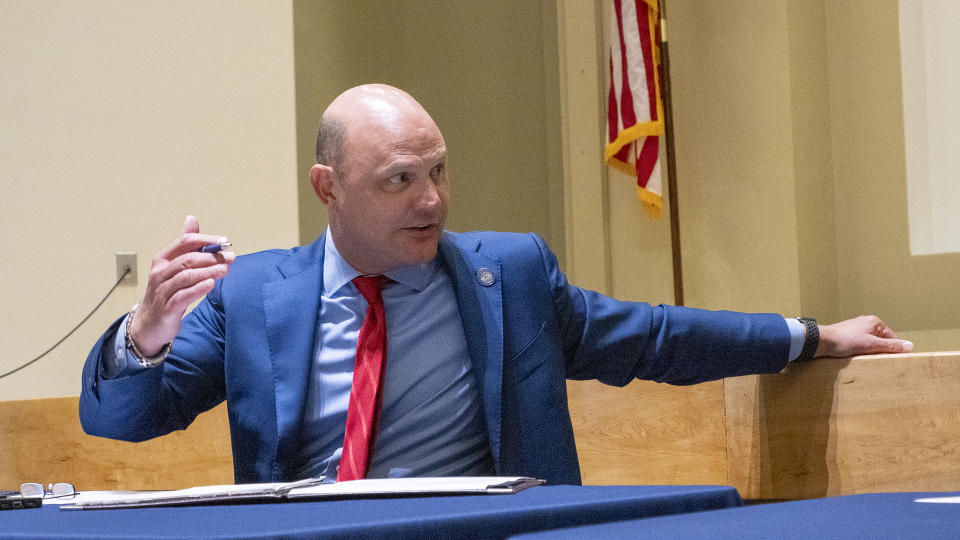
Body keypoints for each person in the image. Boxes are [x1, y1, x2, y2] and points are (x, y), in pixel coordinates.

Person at [80, 84, 913, 485]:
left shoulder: (505, 274)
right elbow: (124, 421)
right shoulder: (254, 294)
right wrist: (143, 339)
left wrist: (811, 336)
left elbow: (652, 337)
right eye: (401, 180)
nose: (435, 199)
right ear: (327, 188)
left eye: (440, 170)